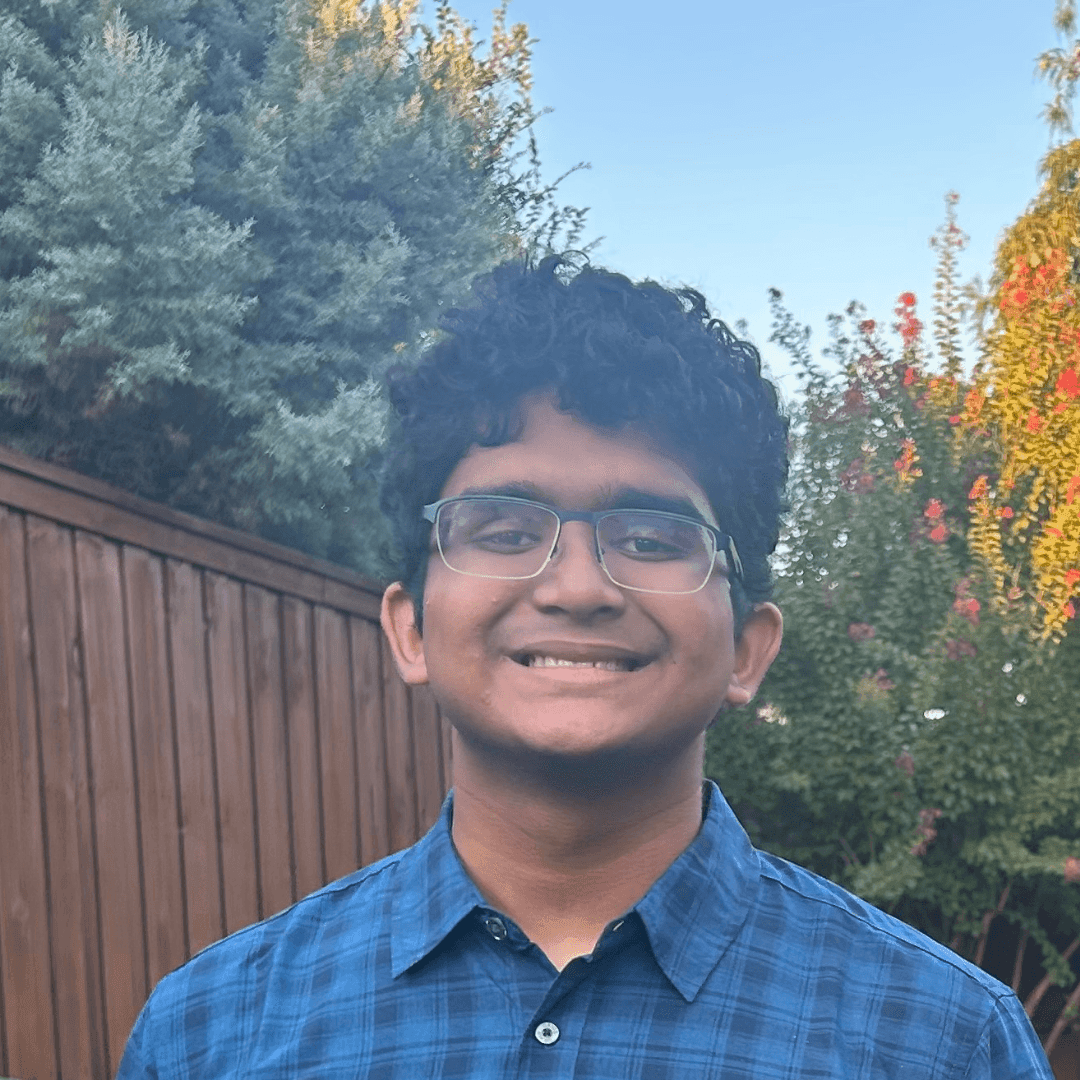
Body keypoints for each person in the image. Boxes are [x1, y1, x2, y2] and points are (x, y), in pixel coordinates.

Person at [116, 256, 1052, 1078]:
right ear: (409, 629)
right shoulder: (210, 1035)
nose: (575, 587)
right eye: (506, 529)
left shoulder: (944, 1042)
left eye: (651, 537)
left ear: (747, 648)